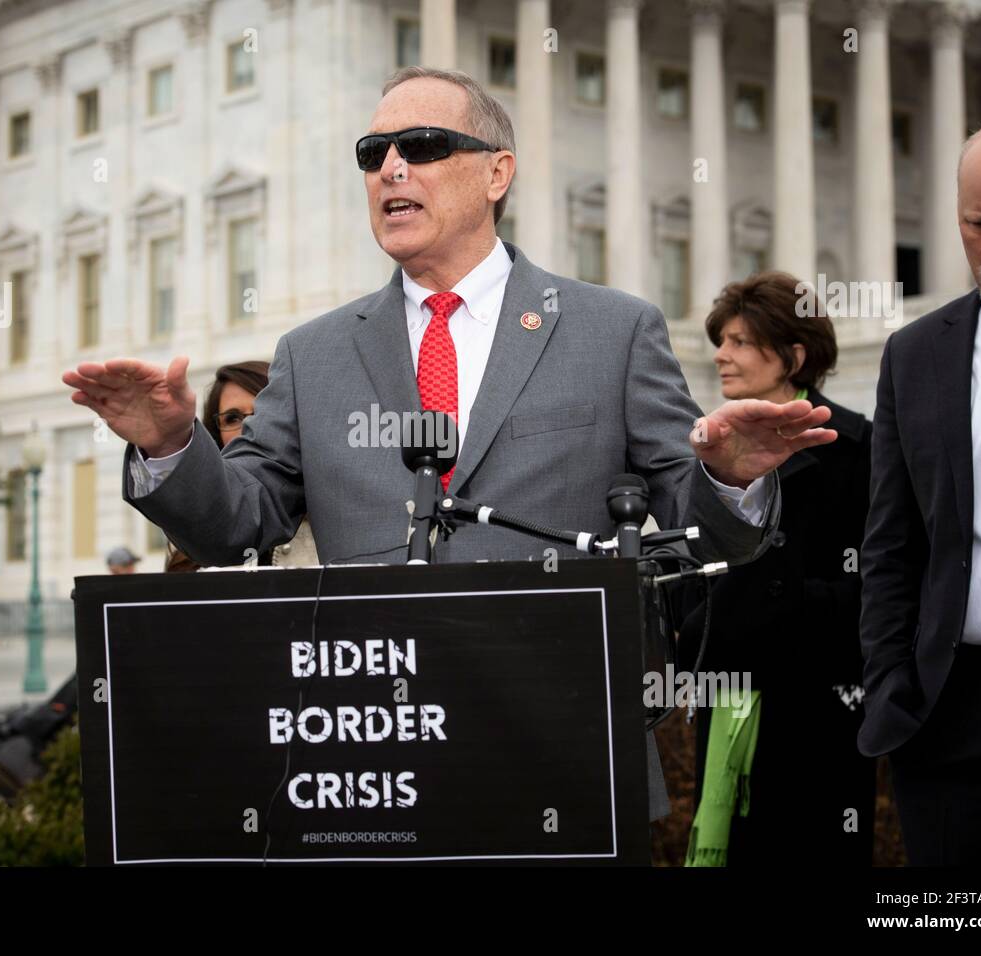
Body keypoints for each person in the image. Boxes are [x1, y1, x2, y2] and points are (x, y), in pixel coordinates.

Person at [63, 67, 835, 819]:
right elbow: (237, 524)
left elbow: (692, 525)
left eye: (424, 145)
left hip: (559, 757)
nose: (391, 167)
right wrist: (170, 445)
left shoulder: (614, 331)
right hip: (371, 766)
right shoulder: (314, 354)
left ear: (497, 173)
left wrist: (730, 480)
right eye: (373, 153)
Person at [860, 117, 981, 864]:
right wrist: (890, 689)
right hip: (948, 714)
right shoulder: (914, 355)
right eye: (979, 225)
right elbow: (889, 546)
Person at [678, 271, 875, 866]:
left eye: (740, 341)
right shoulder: (711, 445)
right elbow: (691, 576)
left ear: (793, 355)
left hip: (819, 719)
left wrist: (781, 604)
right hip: (728, 699)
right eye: (722, 339)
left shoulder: (858, 446)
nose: (720, 354)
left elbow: (878, 589)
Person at [163, 360, 318, 571]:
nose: (247, 426)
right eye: (232, 418)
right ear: (216, 436)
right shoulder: (193, 525)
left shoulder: (329, 520)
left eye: (260, 414)